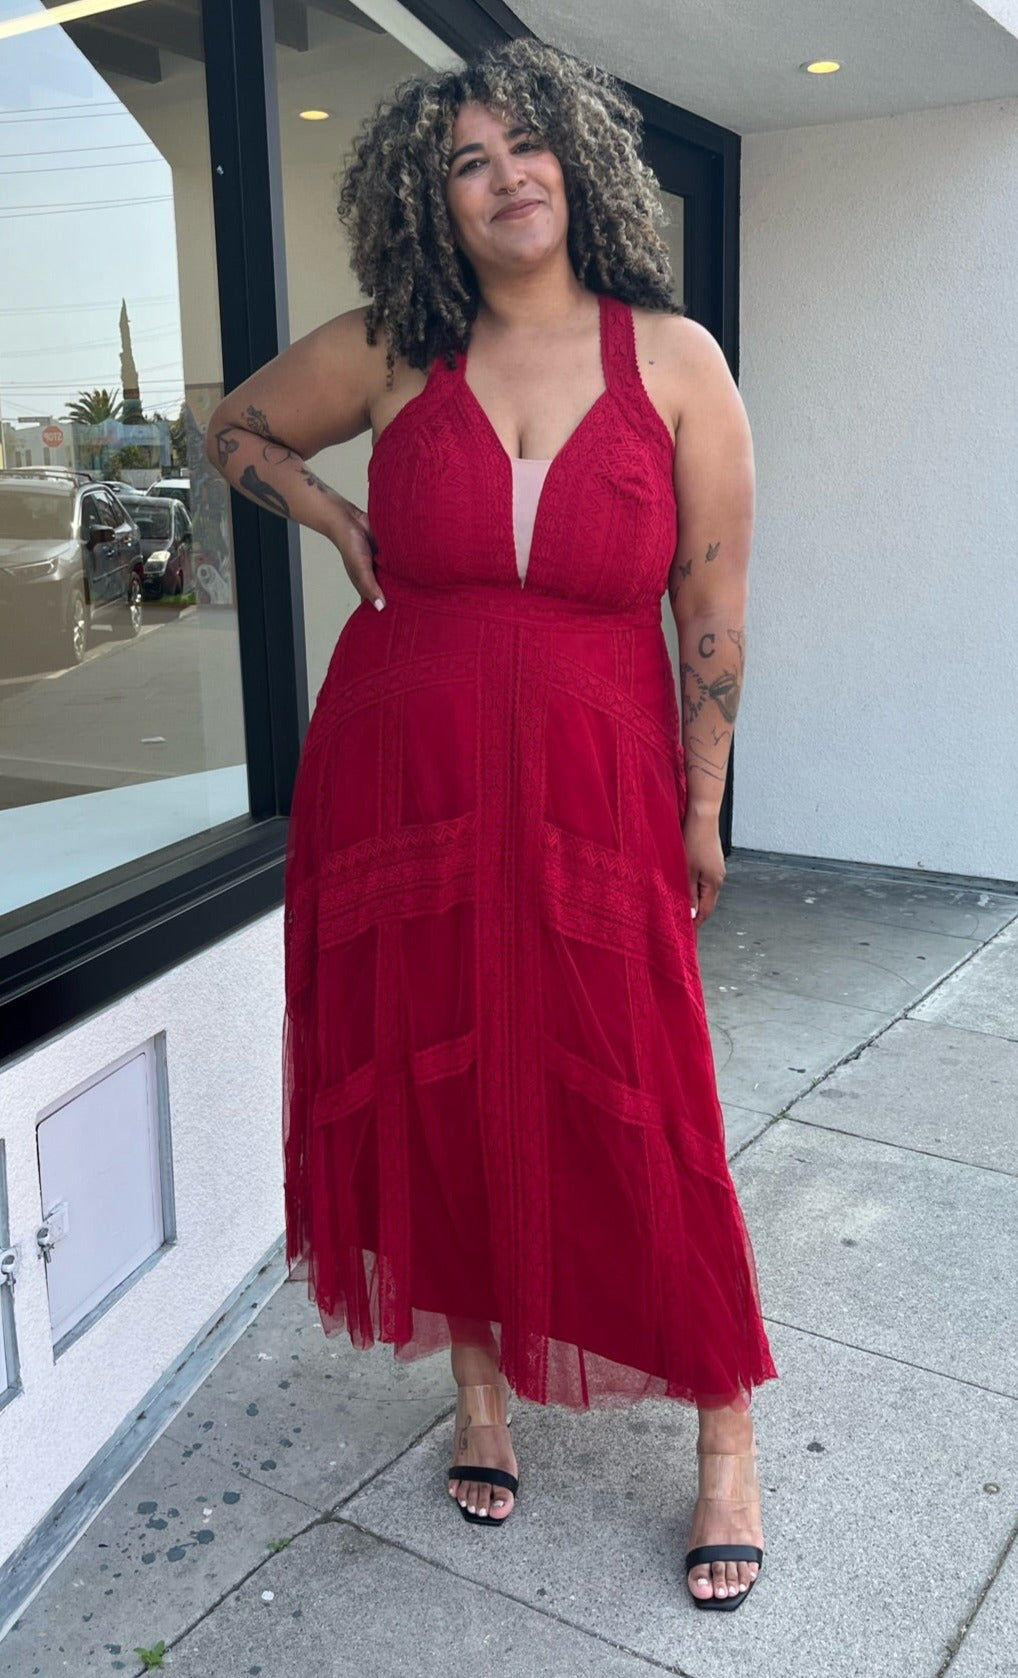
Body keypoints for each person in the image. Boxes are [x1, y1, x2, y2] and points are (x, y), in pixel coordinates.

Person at [206, 37, 778, 1611]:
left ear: (577, 164)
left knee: (638, 1083)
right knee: (447, 1064)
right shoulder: (397, 345)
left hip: (597, 778)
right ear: (430, 197)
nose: (504, 174)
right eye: (467, 159)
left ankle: (723, 1427)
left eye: (526, 145)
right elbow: (235, 425)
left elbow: (709, 608)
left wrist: (703, 802)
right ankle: (478, 1395)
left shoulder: (674, 360)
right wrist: (328, 512)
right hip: (403, 770)